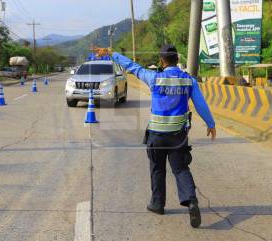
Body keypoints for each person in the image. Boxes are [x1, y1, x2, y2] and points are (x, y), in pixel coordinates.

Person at [93, 45, 216, 228]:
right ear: (177, 60)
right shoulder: (189, 81)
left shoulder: (154, 78)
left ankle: (158, 204)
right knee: (181, 169)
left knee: (157, 169)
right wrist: (211, 124)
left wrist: (112, 54)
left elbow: (133, 67)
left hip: (157, 135)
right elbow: (200, 104)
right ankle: (191, 201)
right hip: (178, 135)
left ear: (162, 61)